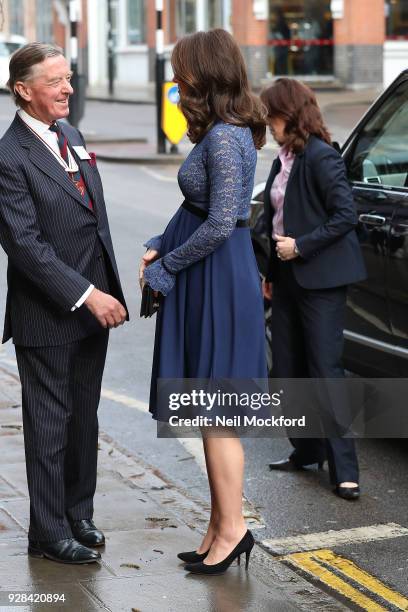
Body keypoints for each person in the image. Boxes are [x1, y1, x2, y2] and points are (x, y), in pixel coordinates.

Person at [140, 29, 267, 574]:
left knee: (218, 413)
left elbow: (221, 223)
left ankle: (233, 529)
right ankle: (218, 526)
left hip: (217, 277)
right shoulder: (222, 130)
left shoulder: (224, 138)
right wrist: (159, 243)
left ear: (203, 72)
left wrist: (168, 264)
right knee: (206, 407)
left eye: (180, 68)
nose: (175, 78)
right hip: (209, 274)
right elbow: (202, 211)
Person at [0, 43, 128, 563]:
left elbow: (91, 219)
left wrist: (108, 286)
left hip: (93, 307)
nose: (67, 89)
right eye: (55, 82)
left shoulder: (69, 136)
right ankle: (48, 532)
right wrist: (87, 294)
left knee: (84, 420)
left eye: (68, 78)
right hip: (49, 314)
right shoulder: (9, 157)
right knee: (49, 427)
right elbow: (26, 246)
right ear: (23, 91)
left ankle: (79, 513)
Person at [261, 78, 366, 500]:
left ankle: (346, 469)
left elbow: (346, 215)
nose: (268, 122)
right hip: (286, 279)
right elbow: (274, 219)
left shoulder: (323, 157)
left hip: (321, 280)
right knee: (286, 372)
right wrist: (270, 271)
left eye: (272, 114)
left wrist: (301, 246)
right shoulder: (282, 158)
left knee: (325, 373)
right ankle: (306, 451)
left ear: (290, 113)